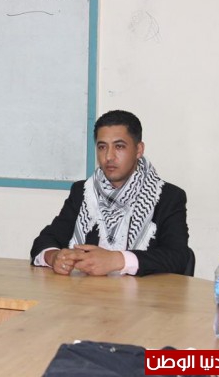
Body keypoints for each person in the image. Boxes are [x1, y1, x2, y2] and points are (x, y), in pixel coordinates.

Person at [30, 110, 189, 276]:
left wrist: (117, 260)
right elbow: (45, 240)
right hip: (86, 290)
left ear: (139, 150)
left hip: (142, 292)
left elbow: (178, 257)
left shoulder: (167, 197)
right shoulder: (84, 192)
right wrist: (54, 257)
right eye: (102, 147)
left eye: (119, 146)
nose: (109, 157)